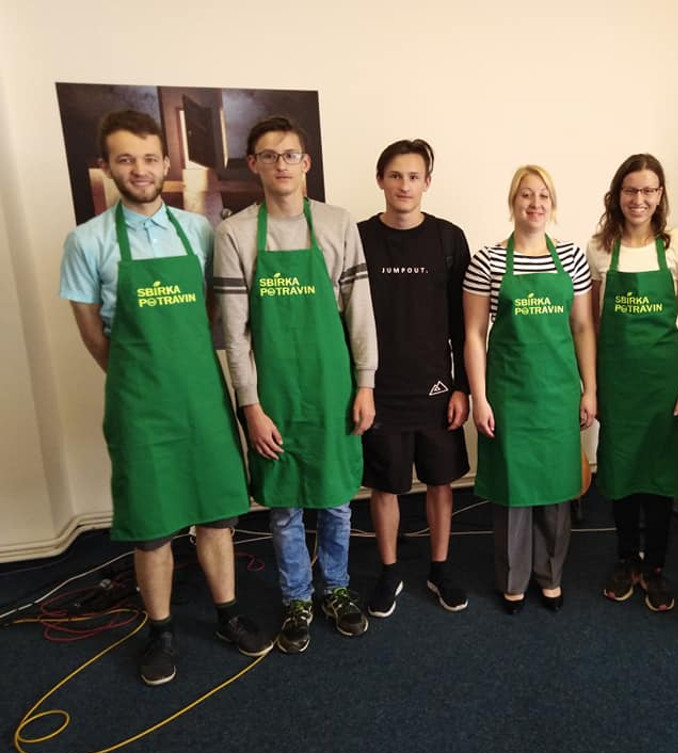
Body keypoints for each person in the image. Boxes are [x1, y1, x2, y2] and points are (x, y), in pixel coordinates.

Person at [59, 109, 271, 686]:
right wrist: (138, 376)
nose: (140, 169)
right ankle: (161, 631)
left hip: (202, 398)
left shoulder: (197, 231)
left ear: (165, 163)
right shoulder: (87, 241)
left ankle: (227, 614)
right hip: (139, 406)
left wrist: (183, 364)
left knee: (217, 517)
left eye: (149, 158)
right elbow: (93, 334)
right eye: (126, 159)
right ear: (107, 167)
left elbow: (212, 310)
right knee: (151, 527)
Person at [214, 115, 377, 653]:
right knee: (284, 506)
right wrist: (250, 405)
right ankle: (297, 599)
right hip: (275, 394)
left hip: (333, 388)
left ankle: (336, 589)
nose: (280, 164)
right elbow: (235, 333)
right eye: (269, 155)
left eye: (289, 155)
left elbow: (359, 311)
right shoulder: (235, 233)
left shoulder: (337, 223)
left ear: (305, 163)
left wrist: (365, 383)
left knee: (336, 499)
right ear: (254, 165)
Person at [464, 164, 597, 614]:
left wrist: (589, 389)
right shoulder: (487, 260)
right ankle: (513, 578)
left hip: (559, 393)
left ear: (552, 204)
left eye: (543, 195)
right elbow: (474, 334)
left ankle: (550, 574)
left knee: (558, 489)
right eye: (526, 194)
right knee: (513, 491)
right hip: (510, 394)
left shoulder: (572, 258)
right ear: (513, 201)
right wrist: (480, 397)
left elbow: (583, 327)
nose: (535, 203)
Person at [358, 139, 471, 617]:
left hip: (436, 388)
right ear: (380, 180)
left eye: (413, 177)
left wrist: (463, 386)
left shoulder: (448, 239)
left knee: (441, 482)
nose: (404, 185)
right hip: (379, 387)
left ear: (427, 182)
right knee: (385, 486)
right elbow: (347, 318)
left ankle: (439, 568)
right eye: (395, 176)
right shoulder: (359, 237)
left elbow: (465, 323)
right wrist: (359, 386)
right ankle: (389, 571)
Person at [587, 154, 678, 612]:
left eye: (649, 190)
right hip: (617, 381)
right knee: (621, 473)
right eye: (631, 190)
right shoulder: (599, 248)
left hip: (664, 382)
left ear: (660, 195)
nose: (640, 198)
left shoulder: (677, 244)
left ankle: (654, 566)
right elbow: (592, 325)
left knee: (659, 477)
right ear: (617, 195)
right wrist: (591, 384)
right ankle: (624, 559)